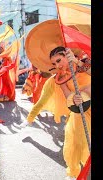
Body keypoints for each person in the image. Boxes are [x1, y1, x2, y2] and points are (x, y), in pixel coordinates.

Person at [22, 20, 91, 180]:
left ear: (68, 55)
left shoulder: (85, 62)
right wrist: (75, 99)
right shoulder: (58, 79)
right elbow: (68, 97)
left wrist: (78, 64)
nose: (57, 65)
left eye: (59, 60)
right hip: (79, 114)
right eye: (53, 64)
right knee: (74, 144)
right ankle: (74, 173)